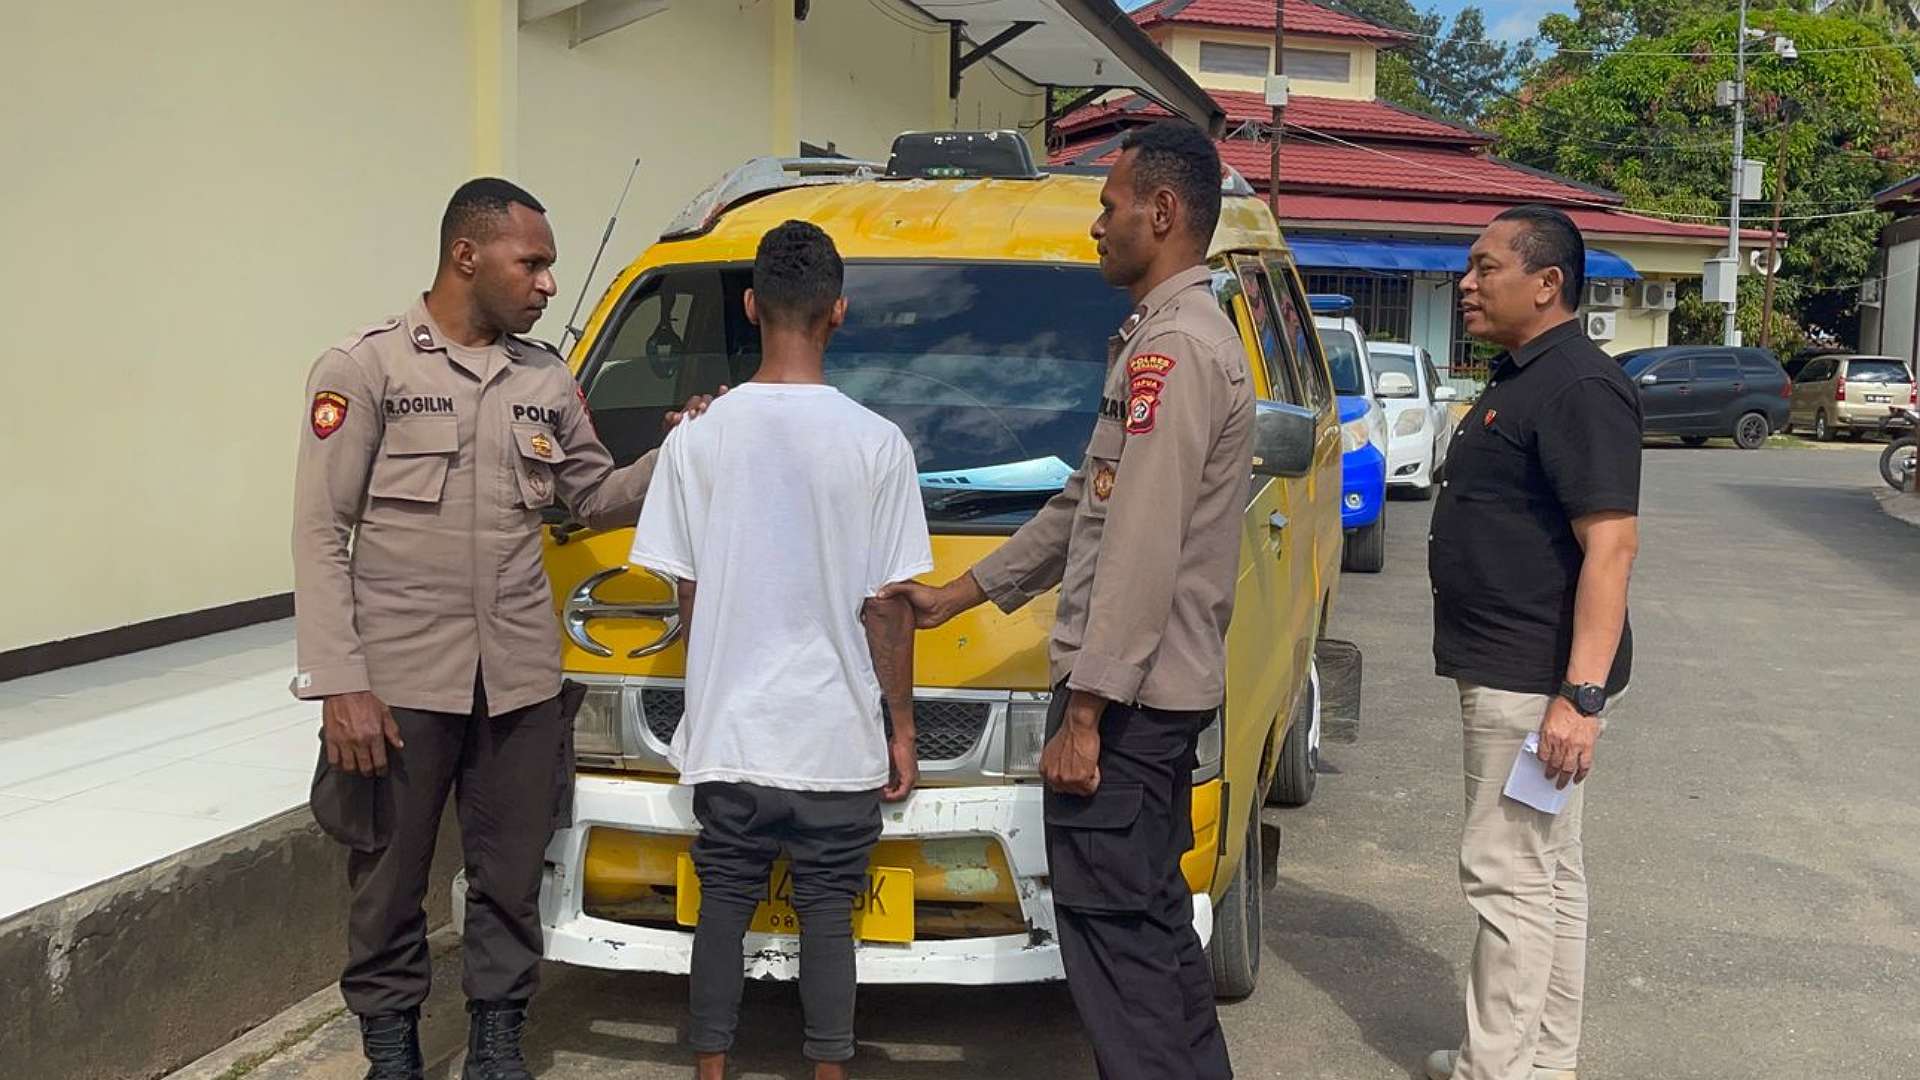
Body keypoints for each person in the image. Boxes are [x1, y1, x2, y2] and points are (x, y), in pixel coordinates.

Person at [291, 178, 711, 1080]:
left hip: (519, 679)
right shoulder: (365, 370)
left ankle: (496, 1041)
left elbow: (591, 497)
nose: (547, 283)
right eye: (534, 262)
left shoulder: (544, 379)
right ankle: (394, 1052)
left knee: (511, 877)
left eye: (550, 264)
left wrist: (677, 451)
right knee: (386, 882)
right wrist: (339, 682)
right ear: (465, 255)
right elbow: (320, 534)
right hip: (398, 684)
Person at [881, 119, 1249, 1080]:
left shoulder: (1175, 353)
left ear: (1161, 212)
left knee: (1118, 954)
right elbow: (1085, 506)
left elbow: (1138, 548)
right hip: (1150, 702)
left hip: (1126, 711)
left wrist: (1083, 713)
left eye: (1109, 204)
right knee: (1155, 932)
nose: (1098, 225)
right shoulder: (1161, 341)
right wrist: (960, 592)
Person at [627, 219, 930, 1080]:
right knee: (829, 917)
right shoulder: (879, 444)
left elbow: (688, 597)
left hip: (732, 736)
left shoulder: (695, 440)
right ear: (839, 312)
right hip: (835, 739)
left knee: (722, 907)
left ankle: (710, 1069)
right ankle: (828, 1068)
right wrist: (899, 727)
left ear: (753, 306)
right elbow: (889, 611)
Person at [1423, 205, 1643, 1080]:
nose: (1467, 285)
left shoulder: (1578, 386)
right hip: (1518, 671)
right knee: (1546, 873)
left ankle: (1498, 1070)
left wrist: (1579, 697)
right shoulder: (1523, 374)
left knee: (1508, 875)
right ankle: (1539, 1063)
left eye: (1485, 269)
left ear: (1547, 283)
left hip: (1534, 681)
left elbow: (1612, 546)